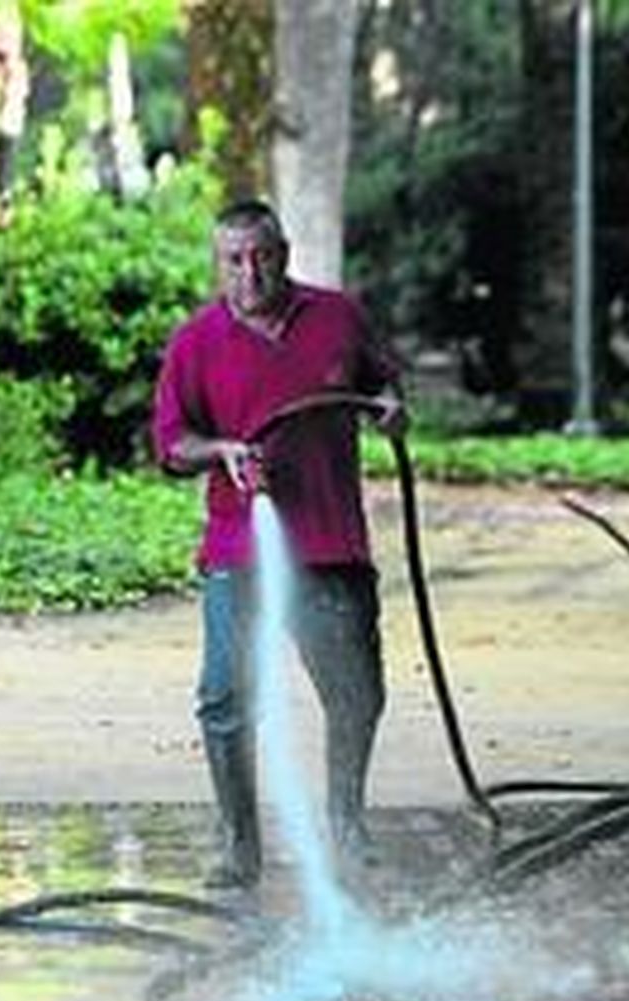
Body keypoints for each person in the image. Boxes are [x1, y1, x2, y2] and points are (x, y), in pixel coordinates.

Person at [151, 199, 407, 888]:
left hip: (330, 546)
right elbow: (173, 444)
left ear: (284, 253)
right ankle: (238, 846)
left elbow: (382, 379)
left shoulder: (337, 317)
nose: (249, 272)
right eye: (233, 259)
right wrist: (224, 451)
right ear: (217, 264)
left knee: (357, 694)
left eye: (261, 256)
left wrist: (387, 404)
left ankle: (346, 825)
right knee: (225, 699)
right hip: (241, 547)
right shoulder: (195, 342)